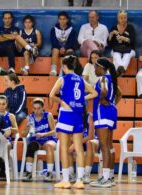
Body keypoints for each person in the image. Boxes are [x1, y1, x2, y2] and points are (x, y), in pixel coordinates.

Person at [50, 55, 97, 189]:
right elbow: (94, 93)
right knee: (78, 148)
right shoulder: (81, 80)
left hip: (66, 115)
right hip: (78, 115)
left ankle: (65, 180)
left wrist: (62, 102)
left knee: (64, 148)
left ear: (64, 67)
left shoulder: (62, 79)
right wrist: (82, 100)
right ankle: (80, 181)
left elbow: (51, 95)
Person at [90, 58, 122, 188]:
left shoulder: (103, 79)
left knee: (104, 146)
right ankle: (110, 176)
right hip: (111, 112)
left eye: (96, 67)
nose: (94, 69)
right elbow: (119, 94)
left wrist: (103, 99)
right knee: (109, 146)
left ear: (101, 68)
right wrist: (112, 104)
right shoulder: (111, 79)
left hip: (103, 113)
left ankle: (106, 178)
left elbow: (103, 91)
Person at [21, 98, 57, 182]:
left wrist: (43, 134)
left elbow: (54, 131)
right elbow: (23, 135)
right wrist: (27, 129)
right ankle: (28, 173)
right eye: (34, 108)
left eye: (38, 108)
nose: (36, 111)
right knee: (31, 146)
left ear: (42, 108)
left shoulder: (48, 115)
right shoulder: (30, 117)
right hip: (37, 140)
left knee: (49, 146)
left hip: (48, 139)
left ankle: (49, 172)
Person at [68, 110, 99, 184]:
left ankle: (86, 174)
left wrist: (76, 143)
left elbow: (90, 136)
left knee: (89, 143)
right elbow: (70, 136)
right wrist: (75, 142)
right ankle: (71, 174)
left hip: (92, 141)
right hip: (79, 142)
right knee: (66, 144)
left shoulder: (89, 117)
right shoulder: (72, 117)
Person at [108, 10, 136, 77]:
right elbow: (109, 43)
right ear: (118, 19)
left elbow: (132, 41)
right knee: (116, 56)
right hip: (116, 49)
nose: (123, 19)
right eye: (121, 18)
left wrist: (125, 39)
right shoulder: (114, 28)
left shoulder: (130, 27)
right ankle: (121, 72)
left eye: (125, 18)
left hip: (129, 49)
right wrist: (111, 34)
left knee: (127, 56)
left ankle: (117, 73)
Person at [50, 11, 77, 76]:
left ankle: (68, 71)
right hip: (57, 48)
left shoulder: (71, 30)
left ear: (67, 20)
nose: (62, 21)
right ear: (58, 20)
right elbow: (53, 41)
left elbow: (72, 41)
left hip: (67, 48)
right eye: (60, 19)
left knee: (70, 51)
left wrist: (65, 48)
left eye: (64, 19)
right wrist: (60, 48)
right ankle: (53, 70)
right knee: (55, 50)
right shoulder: (54, 29)